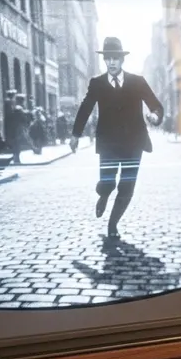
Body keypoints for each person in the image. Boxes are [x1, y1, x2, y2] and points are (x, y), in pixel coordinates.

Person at [69, 36, 164, 239]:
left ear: (122, 60)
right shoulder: (97, 84)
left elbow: (155, 105)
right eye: (108, 59)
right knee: (107, 182)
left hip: (134, 143)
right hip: (108, 144)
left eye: (115, 58)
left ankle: (113, 224)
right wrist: (76, 135)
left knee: (127, 186)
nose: (111, 63)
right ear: (105, 60)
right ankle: (104, 194)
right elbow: (85, 108)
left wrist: (154, 116)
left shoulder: (137, 82)